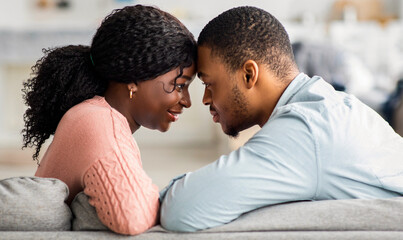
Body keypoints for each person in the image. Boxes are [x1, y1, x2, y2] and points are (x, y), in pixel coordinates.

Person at [160, 6, 403, 232]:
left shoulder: (304, 130)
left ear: (248, 74)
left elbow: (179, 209)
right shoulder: (333, 105)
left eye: (209, 84)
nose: (204, 99)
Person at [21, 5, 196, 235]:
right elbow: (133, 217)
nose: (187, 101)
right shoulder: (99, 122)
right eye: (180, 85)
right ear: (134, 78)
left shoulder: (96, 114)